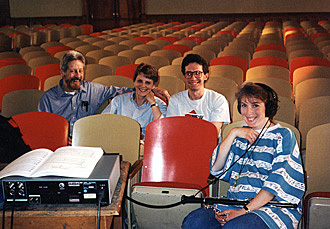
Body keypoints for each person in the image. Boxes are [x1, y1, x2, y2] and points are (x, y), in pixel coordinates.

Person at [182, 82, 305, 229]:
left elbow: (275, 185)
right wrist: (232, 133)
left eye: (255, 105)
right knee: (194, 222)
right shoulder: (239, 134)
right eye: (244, 105)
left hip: (271, 207)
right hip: (235, 201)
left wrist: (243, 211)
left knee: (235, 227)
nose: (248, 112)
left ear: (269, 107)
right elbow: (215, 168)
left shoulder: (284, 136)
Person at [38, 50, 170, 137]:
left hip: (88, 142)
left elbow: (120, 91)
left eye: (80, 71)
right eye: (73, 71)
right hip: (61, 144)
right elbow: (44, 128)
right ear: (62, 72)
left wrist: (150, 90)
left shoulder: (94, 90)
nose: (77, 76)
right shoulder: (48, 98)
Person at [166, 54, 230, 136]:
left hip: (209, 146)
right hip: (182, 145)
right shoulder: (175, 100)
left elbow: (213, 134)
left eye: (197, 73)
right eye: (188, 73)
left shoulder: (218, 100)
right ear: (184, 77)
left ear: (206, 76)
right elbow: (173, 131)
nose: (193, 78)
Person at [101, 63, 167, 140]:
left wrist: (153, 103)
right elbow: (103, 122)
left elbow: (162, 129)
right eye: (139, 81)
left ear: (153, 86)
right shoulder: (118, 101)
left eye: (147, 82)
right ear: (134, 82)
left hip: (146, 146)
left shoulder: (159, 104)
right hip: (119, 141)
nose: (143, 85)